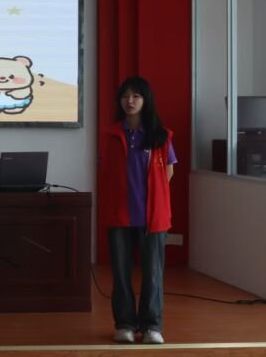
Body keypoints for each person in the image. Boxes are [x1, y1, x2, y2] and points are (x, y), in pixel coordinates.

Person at [100, 76, 177, 345]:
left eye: (136, 96)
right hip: (119, 214)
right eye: (125, 96)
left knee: (153, 274)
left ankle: (152, 326)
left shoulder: (161, 135)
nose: (130, 101)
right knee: (121, 274)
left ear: (146, 100)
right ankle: (125, 325)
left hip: (152, 216)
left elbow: (168, 172)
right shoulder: (111, 134)